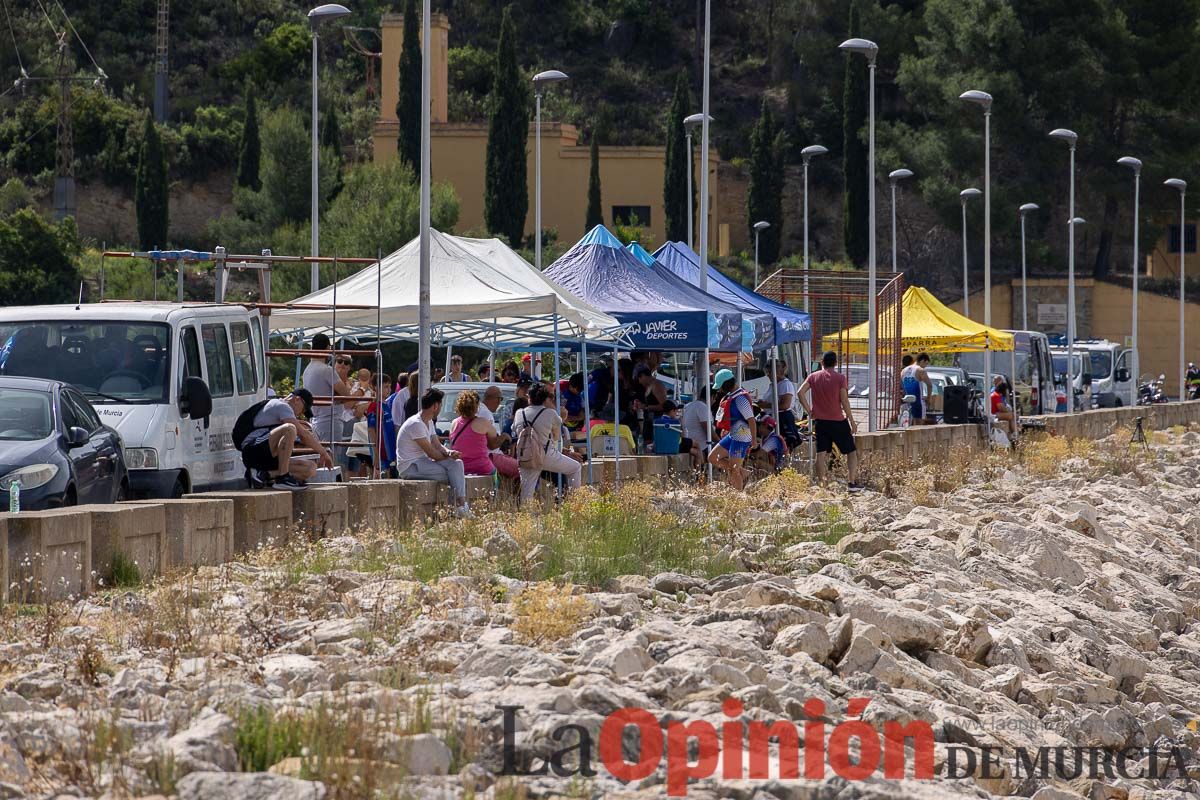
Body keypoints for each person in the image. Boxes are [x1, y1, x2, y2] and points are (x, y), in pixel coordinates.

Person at [393, 388, 473, 518]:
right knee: (453, 475)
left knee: (457, 464)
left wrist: (449, 452)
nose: (440, 407)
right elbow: (432, 454)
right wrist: (448, 456)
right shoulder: (416, 424)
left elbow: (437, 444)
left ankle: (461, 506)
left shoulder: (428, 421)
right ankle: (457, 508)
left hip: (423, 463)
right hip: (411, 467)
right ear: (435, 405)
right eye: (440, 404)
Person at [237, 389, 332, 491]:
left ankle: (264, 475)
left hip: (267, 452)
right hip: (253, 450)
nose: (300, 414)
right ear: (297, 400)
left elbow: (304, 437)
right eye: (303, 410)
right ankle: (283, 479)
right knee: (290, 428)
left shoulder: (283, 409)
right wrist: (324, 453)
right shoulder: (281, 406)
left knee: (311, 468)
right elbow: (304, 435)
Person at [797, 351, 861, 489]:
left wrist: (809, 411)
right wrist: (852, 421)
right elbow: (844, 400)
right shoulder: (840, 378)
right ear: (835, 363)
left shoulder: (813, 377)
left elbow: (800, 393)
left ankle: (822, 484)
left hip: (820, 421)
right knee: (851, 452)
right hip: (838, 420)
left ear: (822, 363)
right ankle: (851, 482)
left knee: (821, 453)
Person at [512, 383, 582, 503]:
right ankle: (575, 503)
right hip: (546, 455)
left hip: (526, 455)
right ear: (546, 398)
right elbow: (556, 437)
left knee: (526, 492)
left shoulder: (519, 413)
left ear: (529, 397)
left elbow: (515, 430)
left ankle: (526, 518)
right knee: (575, 468)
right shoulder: (550, 413)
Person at [301, 333, 354, 457]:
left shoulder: (307, 370)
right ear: (327, 348)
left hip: (316, 420)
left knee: (322, 458)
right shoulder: (327, 370)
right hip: (330, 419)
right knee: (332, 458)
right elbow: (347, 394)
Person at [707, 368, 757, 490]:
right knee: (712, 457)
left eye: (721, 386)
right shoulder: (732, 396)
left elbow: (751, 419)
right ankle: (744, 472)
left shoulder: (740, 398)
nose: (720, 390)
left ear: (727, 384)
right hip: (733, 435)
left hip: (742, 436)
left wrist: (754, 440)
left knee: (733, 470)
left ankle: (738, 494)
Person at [448, 390, 503, 477]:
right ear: (477, 406)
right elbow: (493, 445)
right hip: (482, 467)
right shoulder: (483, 422)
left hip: (460, 467)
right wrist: (505, 437)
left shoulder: (454, 423)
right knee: (499, 474)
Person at [478, 385, 519, 479]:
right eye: (501, 399)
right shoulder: (486, 414)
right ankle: (519, 493)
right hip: (490, 456)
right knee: (521, 470)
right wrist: (504, 436)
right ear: (496, 399)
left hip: (485, 455)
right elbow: (491, 444)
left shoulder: (480, 409)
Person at [765, 359, 801, 445]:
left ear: (776, 372)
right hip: (773, 417)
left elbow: (785, 405)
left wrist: (766, 405)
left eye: (769, 372)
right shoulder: (773, 384)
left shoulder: (785, 385)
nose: (768, 375)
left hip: (782, 419)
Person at [655, 400, 702, 465]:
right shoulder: (674, 422)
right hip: (675, 445)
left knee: (694, 452)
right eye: (676, 410)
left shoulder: (658, 421)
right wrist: (681, 423)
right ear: (672, 411)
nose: (677, 412)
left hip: (663, 446)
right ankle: (702, 467)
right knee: (696, 444)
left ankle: (700, 468)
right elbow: (681, 436)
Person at [633, 365, 669, 445]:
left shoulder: (656, 385)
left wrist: (645, 407)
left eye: (639, 378)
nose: (639, 382)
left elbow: (664, 405)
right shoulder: (648, 387)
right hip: (649, 421)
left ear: (643, 375)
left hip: (656, 420)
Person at [900, 353, 934, 425]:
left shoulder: (903, 370)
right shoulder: (920, 370)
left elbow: (902, 386)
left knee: (907, 423)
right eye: (926, 364)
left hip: (906, 401)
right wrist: (928, 398)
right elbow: (929, 385)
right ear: (922, 361)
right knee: (919, 423)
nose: (925, 366)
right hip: (918, 401)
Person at [681, 394, 712, 471]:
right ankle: (701, 472)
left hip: (681, 441)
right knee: (698, 446)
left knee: (697, 451)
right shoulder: (702, 407)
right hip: (678, 443)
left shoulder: (688, 406)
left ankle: (700, 473)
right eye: (675, 410)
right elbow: (707, 429)